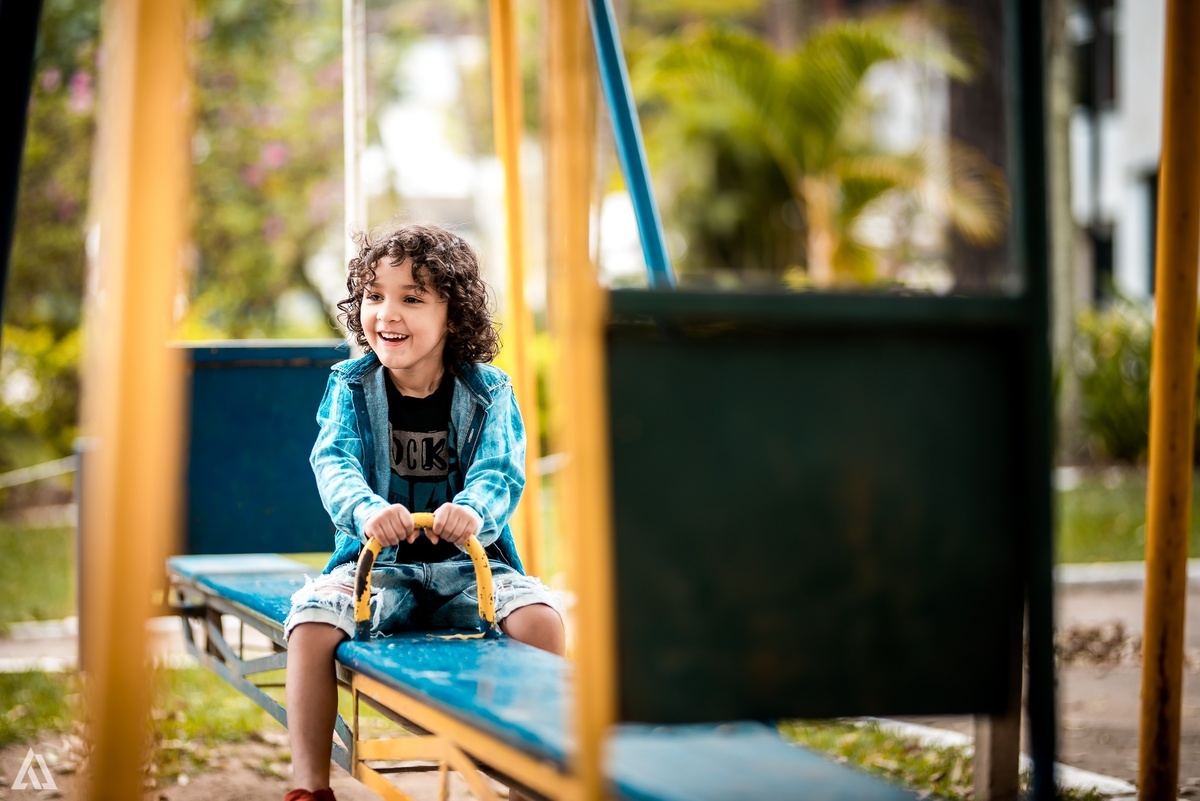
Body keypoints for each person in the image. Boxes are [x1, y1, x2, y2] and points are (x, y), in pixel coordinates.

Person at [282, 222, 565, 801]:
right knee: (311, 626)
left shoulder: (488, 391)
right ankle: (308, 786)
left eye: (412, 298)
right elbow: (332, 459)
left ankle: (527, 781)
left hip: (471, 569)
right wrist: (364, 509)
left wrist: (472, 509)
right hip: (378, 568)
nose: (387, 312)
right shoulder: (351, 386)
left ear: (453, 318)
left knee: (542, 622)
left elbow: (502, 467)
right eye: (375, 295)